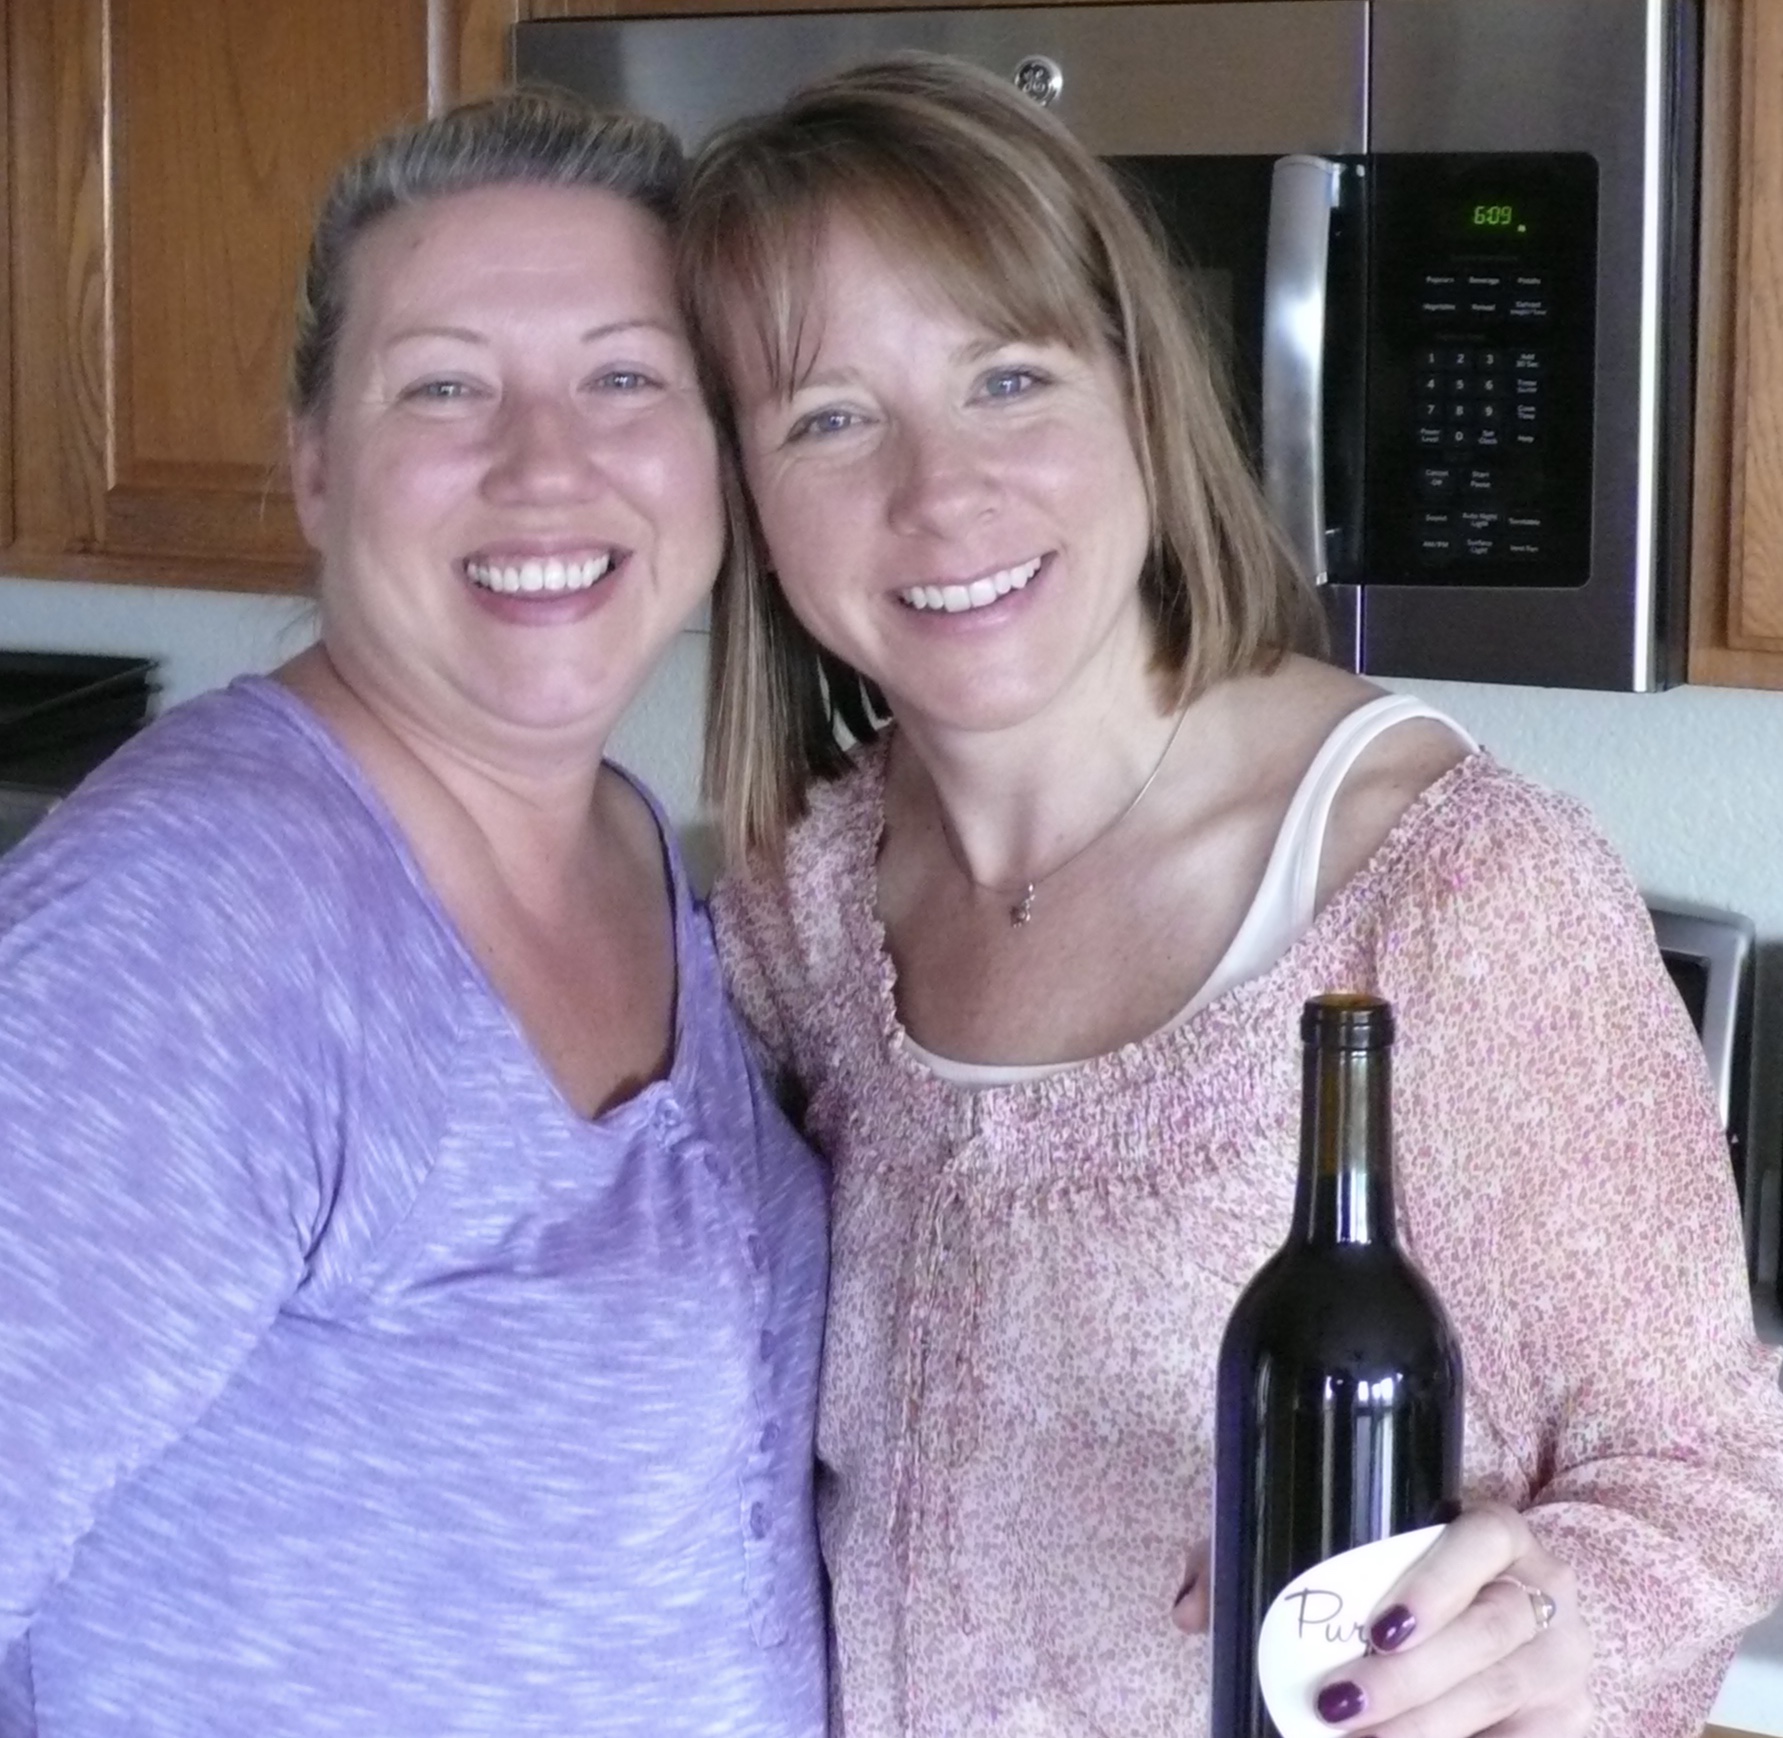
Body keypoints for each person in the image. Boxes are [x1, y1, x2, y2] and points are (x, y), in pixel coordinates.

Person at [677, 51, 1783, 1738]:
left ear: (1142, 396)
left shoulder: (1450, 892)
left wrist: (1544, 1628)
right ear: (745, 498)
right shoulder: (799, 910)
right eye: (829, 417)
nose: (940, 489)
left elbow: (1712, 1468)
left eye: (1009, 378)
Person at [0, 89, 827, 1736]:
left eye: (624, 377)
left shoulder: (629, 843)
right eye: (445, 384)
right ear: (317, 463)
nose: (545, 461)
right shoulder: (200, 921)